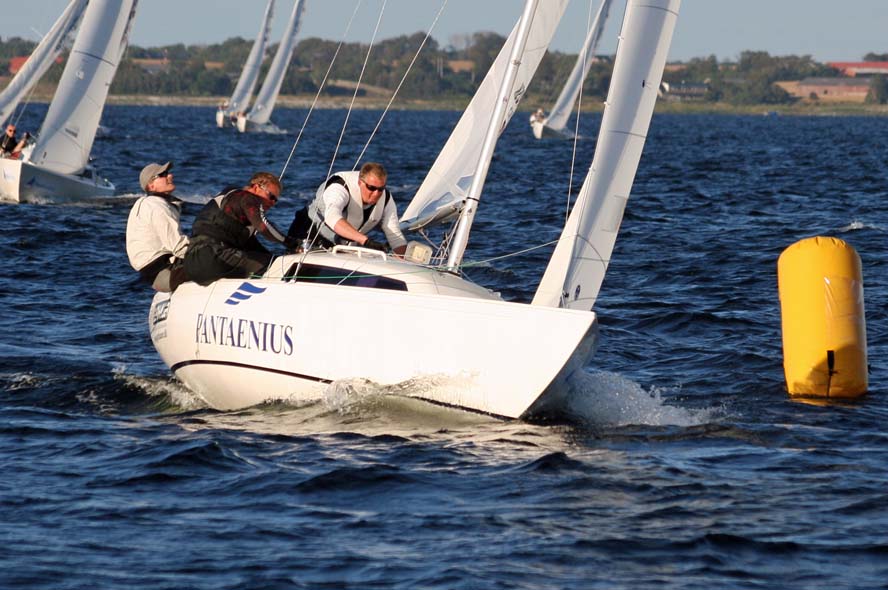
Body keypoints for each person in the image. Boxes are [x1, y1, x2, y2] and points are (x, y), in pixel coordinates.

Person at [184, 171, 291, 285]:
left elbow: (253, 247)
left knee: (269, 260)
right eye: (271, 196)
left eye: (276, 200)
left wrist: (276, 257)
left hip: (192, 263)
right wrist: (291, 243)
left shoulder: (234, 207)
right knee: (273, 266)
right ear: (256, 187)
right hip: (213, 258)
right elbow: (263, 227)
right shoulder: (246, 198)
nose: (272, 203)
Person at [288, 162, 407, 255]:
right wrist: (366, 241)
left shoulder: (385, 198)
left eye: (380, 189)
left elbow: (394, 233)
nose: (376, 193)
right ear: (360, 183)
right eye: (371, 188)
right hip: (306, 236)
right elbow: (332, 217)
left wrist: (405, 263)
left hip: (339, 246)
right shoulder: (339, 188)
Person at [126, 162, 189, 292]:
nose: (170, 176)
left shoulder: (146, 203)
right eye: (163, 174)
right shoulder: (157, 207)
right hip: (166, 274)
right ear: (151, 185)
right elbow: (178, 246)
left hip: (154, 276)